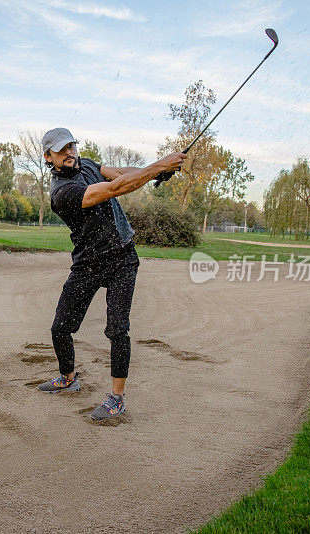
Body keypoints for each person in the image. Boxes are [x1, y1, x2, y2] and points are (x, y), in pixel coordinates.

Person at [36, 127, 187, 420]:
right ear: (48, 156)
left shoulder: (88, 164)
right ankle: (68, 377)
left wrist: (154, 173)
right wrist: (159, 166)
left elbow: (118, 173)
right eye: (60, 149)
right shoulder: (61, 192)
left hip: (122, 258)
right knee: (60, 327)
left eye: (71, 146)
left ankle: (117, 398)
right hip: (88, 263)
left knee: (117, 328)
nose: (68, 153)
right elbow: (114, 190)